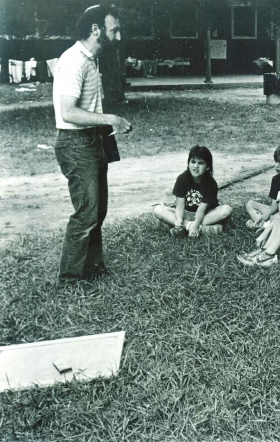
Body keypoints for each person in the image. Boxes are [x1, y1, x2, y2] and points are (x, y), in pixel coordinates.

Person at [53, 4, 132, 295]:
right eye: (114, 30)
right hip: (76, 143)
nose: (119, 37)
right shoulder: (74, 60)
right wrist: (110, 119)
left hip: (93, 141)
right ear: (96, 29)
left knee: (97, 211)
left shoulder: (91, 59)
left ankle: (94, 268)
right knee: (86, 213)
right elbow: (69, 112)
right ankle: (71, 280)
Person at [153, 145, 232, 237]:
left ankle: (186, 229)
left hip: (206, 214)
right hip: (186, 213)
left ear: (208, 167)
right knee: (158, 209)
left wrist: (196, 223)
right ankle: (194, 227)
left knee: (227, 209)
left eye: (201, 163)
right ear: (188, 164)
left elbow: (201, 209)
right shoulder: (181, 179)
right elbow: (180, 206)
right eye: (193, 162)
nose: (196, 166)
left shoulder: (211, 183)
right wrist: (179, 219)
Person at [244, 144, 280, 229]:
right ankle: (262, 224)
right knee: (250, 204)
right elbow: (274, 206)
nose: (277, 165)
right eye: (276, 161)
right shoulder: (276, 179)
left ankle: (264, 226)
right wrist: (263, 217)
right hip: (276, 212)